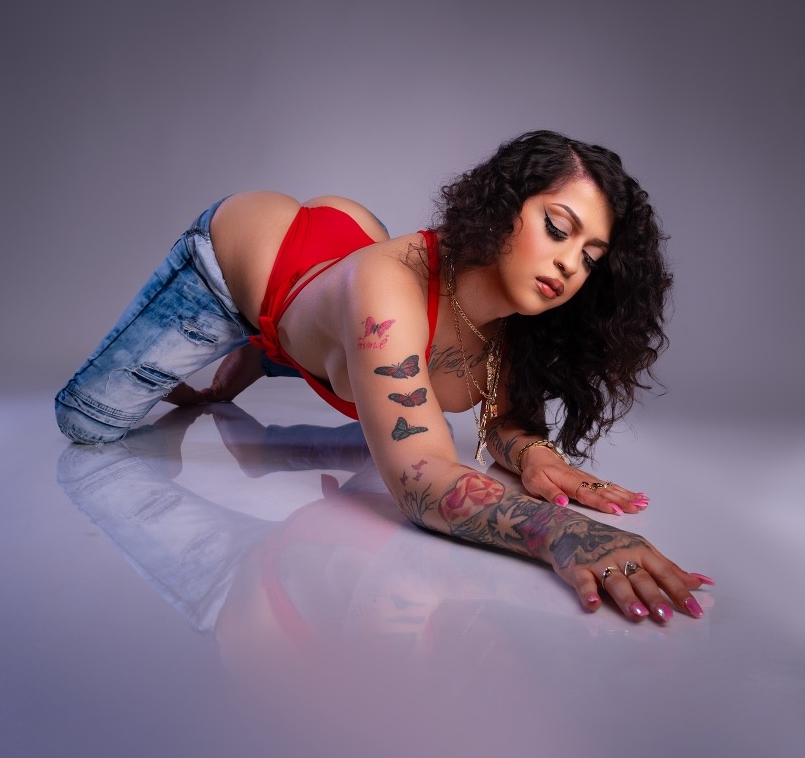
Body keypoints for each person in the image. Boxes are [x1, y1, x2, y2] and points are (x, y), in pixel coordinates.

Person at [56, 130, 714, 623]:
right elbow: (420, 478)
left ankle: (282, 346)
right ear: (506, 206)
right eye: (557, 228)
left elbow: (502, 416)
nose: (569, 264)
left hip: (347, 261)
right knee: (85, 423)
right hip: (246, 256)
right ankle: (264, 333)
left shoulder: (513, 314)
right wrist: (568, 533)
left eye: (590, 257)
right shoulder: (388, 286)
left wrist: (534, 455)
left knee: (345, 334)